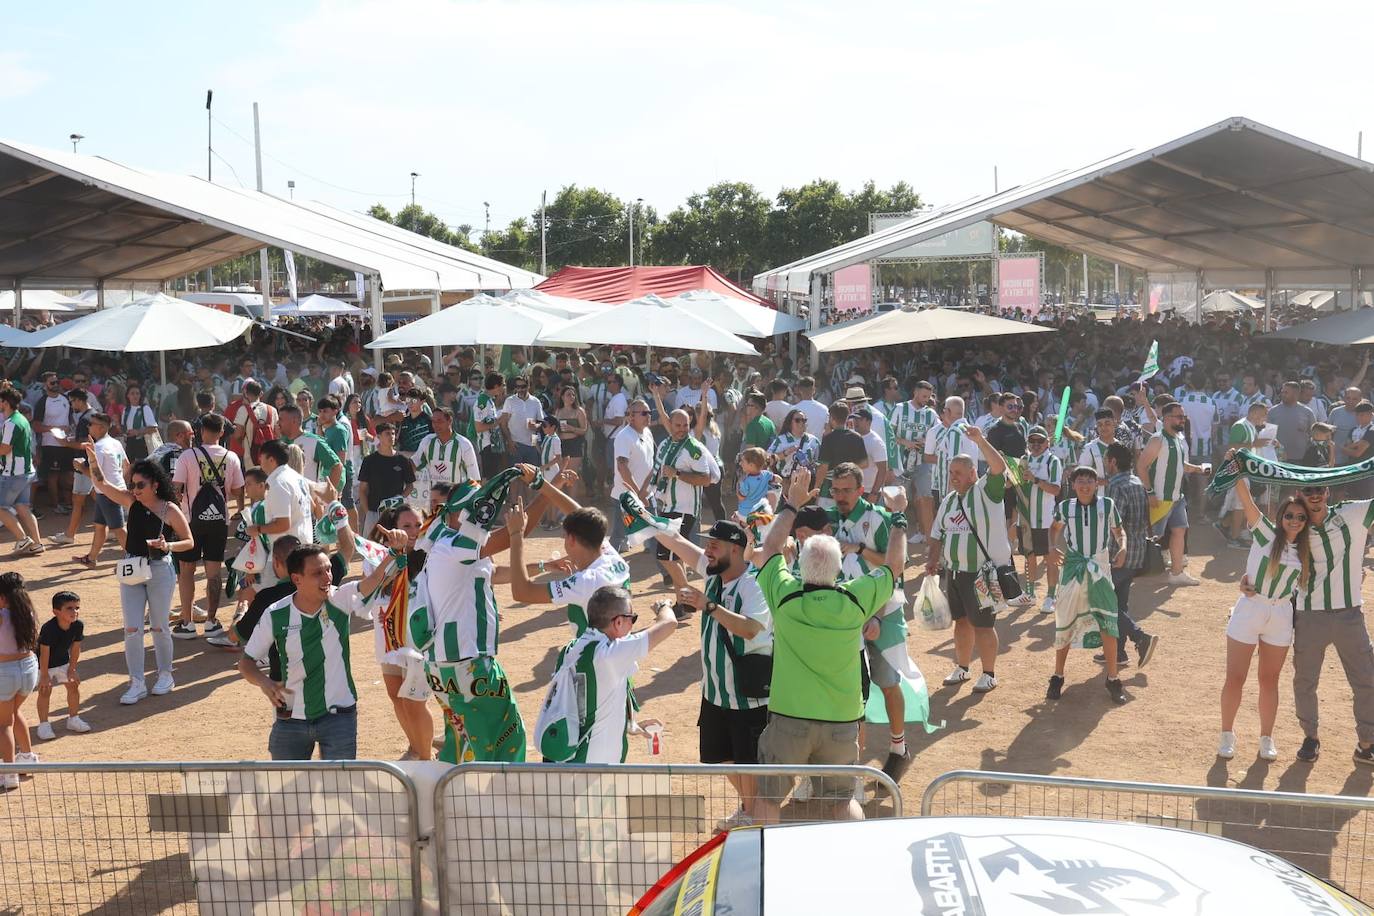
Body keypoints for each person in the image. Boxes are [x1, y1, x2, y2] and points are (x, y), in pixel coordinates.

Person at [752, 468, 906, 824]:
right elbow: (895, 567)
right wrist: (899, 515)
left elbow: (771, 547)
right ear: (839, 569)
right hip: (841, 720)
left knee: (768, 797)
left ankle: (764, 864)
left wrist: (791, 503)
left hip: (789, 718)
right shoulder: (856, 600)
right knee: (841, 800)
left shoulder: (785, 597)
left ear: (801, 565)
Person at [650, 518, 772, 828]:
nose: (708, 551)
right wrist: (645, 517)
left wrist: (709, 606)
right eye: (708, 545)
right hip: (716, 691)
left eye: (714, 546)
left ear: (735, 549)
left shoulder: (752, 584)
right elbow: (677, 543)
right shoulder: (715, 571)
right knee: (721, 757)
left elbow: (750, 628)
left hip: (746, 695)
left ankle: (754, 817)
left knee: (748, 763)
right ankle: (749, 807)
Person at [237, 545, 390, 760]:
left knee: (339, 787)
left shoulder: (340, 599)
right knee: (288, 789)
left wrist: (393, 553)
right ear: (297, 579)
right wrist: (265, 682)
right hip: (290, 717)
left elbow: (371, 581)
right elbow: (246, 662)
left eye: (328, 570)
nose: (327, 577)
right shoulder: (276, 614)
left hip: (339, 715)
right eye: (318, 573)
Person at [823, 462, 915, 780]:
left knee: (888, 683)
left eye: (846, 490)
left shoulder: (879, 519)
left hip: (883, 611)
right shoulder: (829, 518)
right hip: (846, 614)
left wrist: (861, 549)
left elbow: (895, 567)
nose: (840, 496)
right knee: (851, 690)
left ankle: (899, 747)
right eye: (835, 490)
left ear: (861, 490)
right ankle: (853, 765)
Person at [85, 449, 195, 705]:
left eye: (140, 485)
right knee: (132, 629)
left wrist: (168, 546)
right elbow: (101, 483)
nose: (135, 489)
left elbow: (189, 542)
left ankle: (165, 675)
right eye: (133, 485)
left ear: (155, 484)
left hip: (159, 570)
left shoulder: (170, 509)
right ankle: (136, 682)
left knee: (159, 627)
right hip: (132, 567)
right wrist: (92, 459)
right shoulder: (131, 503)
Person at [1280, 484, 1374, 765]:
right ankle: (1310, 737)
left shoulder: (1353, 513)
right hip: (1310, 616)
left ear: (1328, 490)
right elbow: (1267, 550)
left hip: (1349, 614)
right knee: (1305, 681)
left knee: (1366, 680)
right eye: (1308, 490)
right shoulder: (1296, 525)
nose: (1314, 495)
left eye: (1319, 488)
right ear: (1300, 493)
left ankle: (1366, 743)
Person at [534, 585, 681, 764]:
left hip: (564, 760)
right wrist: (663, 606)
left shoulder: (571, 649)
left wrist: (628, 724)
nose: (632, 625)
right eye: (632, 618)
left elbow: (584, 704)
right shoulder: (608, 655)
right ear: (618, 622)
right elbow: (669, 624)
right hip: (592, 768)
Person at [1219, 477, 1309, 762]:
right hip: (1251, 607)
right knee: (1235, 677)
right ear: (1280, 515)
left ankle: (1266, 737)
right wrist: (1238, 467)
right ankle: (1226, 734)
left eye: (1300, 517)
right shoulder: (1265, 533)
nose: (1294, 521)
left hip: (1282, 613)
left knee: (1269, 680)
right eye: (1289, 515)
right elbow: (1245, 498)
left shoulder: (1308, 549)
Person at [927, 423, 1010, 694]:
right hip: (955, 572)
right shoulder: (950, 500)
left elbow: (998, 467)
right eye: (951, 473)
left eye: (959, 473)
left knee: (984, 624)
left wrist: (981, 441)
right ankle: (962, 667)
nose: (953, 477)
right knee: (961, 621)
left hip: (980, 573)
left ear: (973, 473)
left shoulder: (986, 492)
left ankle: (989, 673)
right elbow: (937, 533)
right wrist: (932, 560)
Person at [1045, 467, 1129, 704]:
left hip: (1100, 568)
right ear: (1073, 485)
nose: (1085, 485)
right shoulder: (1065, 508)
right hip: (1073, 567)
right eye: (1080, 481)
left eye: (1089, 481)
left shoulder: (1107, 505)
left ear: (1096, 484)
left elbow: (1119, 530)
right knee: (1065, 620)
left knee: (1108, 621)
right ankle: (1057, 676)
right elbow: (1054, 529)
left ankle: (1112, 679)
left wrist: (1122, 546)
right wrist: (1051, 547)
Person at [364, 506, 435, 760]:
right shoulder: (378, 555)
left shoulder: (431, 552)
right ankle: (415, 745)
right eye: (407, 526)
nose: (414, 531)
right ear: (392, 527)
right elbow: (373, 587)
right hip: (387, 631)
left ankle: (427, 756)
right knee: (396, 696)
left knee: (413, 699)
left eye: (418, 524)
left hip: (415, 636)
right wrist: (395, 554)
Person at [170, 413, 243, 640]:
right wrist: (238, 511)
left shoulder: (187, 456)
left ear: (201, 431)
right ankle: (212, 621)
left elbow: (177, 488)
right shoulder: (231, 457)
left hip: (190, 521)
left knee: (186, 571)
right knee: (213, 573)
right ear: (222, 432)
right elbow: (239, 489)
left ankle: (188, 623)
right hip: (219, 521)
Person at [1100, 443, 1160, 670]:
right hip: (1137, 553)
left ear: (1113, 461)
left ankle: (1140, 638)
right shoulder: (1137, 482)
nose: (1106, 463)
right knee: (1119, 603)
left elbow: (1113, 524)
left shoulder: (1116, 485)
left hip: (1118, 554)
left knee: (1104, 603)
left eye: (1108, 459)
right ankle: (1119, 652)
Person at [1137, 400, 1209, 586]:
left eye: (1183, 416)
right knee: (1152, 536)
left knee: (1179, 531)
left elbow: (1180, 465)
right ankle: (1129, 570)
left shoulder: (1177, 440)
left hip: (1177, 498)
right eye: (1179, 416)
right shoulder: (1157, 440)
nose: (1182, 420)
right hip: (1159, 499)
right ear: (1167, 418)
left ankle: (1176, 573)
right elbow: (1141, 466)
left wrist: (1199, 469)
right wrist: (1150, 492)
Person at [0, 571, 40, 789]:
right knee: (14, 713)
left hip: (5, 673)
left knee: (3, 723)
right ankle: (27, 759)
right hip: (28, 670)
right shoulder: (28, 613)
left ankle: (8, 773)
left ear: (3, 597)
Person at [34, 590, 90, 740]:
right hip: (44, 664)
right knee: (45, 691)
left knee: (73, 686)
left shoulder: (78, 625)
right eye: (70, 608)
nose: (75, 612)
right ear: (56, 611)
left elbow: (76, 648)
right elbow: (44, 652)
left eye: (77, 608)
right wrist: (44, 675)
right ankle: (44, 725)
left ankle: (73, 719)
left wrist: (72, 669)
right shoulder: (49, 628)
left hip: (63, 661)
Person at [76, 412, 128, 569]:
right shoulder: (115, 443)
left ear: (100, 427)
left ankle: (136, 556)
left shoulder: (98, 447)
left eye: (91, 424)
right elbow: (127, 465)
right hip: (108, 491)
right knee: (100, 525)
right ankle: (91, 558)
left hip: (107, 493)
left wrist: (79, 467)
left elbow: (95, 475)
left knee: (118, 528)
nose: (88, 426)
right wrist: (119, 481)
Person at [1022, 426, 1063, 611]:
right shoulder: (1023, 460)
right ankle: (1030, 594)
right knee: (1028, 555)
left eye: (1040, 441)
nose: (1036, 445)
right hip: (1025, 518)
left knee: (1050, 557)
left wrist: (1036, 480)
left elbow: (1056, 489)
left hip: (1045, 518)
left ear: (1047, 443)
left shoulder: (1052, 461)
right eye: (1032, 441)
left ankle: (1051, 597)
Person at [0, 388, 43, 555]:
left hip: (14, 473)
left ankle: (22, 539)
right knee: (22, 507)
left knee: (1, 508)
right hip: (25, 471)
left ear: (5, 403)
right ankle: (37, 543)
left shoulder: (11, 423)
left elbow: (4, 449)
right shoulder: (21, 419)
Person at [251, 438, 315, 548]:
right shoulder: (297, 477)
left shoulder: (279, 483)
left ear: (271, 460)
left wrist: (257, 529)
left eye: (261, 458)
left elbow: (283, 524)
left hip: (289, 551)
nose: (260, 462)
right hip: (301, 543)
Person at [610, 398, 655, 552]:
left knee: (655, 530)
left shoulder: (648, 432)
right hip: (626, 497)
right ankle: (607, 565)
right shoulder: (624, 436)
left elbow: (651, 463)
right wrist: (638, 495)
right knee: (618, 535)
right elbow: (622, 468)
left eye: (649, 412)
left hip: (646, 494)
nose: (648, 415)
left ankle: (663, 565)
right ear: (631, 416)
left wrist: (646, 492)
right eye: (643, 413)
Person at [358, 423, 415, 535]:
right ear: (378, 437)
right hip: (374, 512)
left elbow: (410, 485)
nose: (391, 437)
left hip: (396, 513)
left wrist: (399, 498)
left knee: (395, 546)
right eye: (387, 434)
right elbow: (362, 490)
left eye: (393, 434)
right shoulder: (369, 461)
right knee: (372, 548)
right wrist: (368, 513)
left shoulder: (403, 460)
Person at [32, 372, 74, 515]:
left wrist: (69, 431)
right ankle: (56, 504)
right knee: (53, 476)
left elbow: (70, 419)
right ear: (45, 385)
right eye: (52, 383)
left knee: (68, 474)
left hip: (66, 443)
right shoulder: (42, 402)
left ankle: (68, 503)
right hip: (50, 444)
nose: (56, 385)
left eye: (57, 382)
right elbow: (36, 426)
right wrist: (54, 429)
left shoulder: (66, 399)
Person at [814, 400, 868, 509]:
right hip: (851, 489)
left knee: (827, 522)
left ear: (832, 418)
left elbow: (823, 468)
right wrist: (848, 469)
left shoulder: (828, 439)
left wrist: (816, 488)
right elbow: (865, 463)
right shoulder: (857, 437)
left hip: (830, 490)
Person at [279, 405, 344, 489]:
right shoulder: (281, 442)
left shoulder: (313, 442)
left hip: (309, 499)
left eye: (281, 419)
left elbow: (337, 466)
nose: (278, 422)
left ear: (294, 421)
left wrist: (329, 494)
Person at [500, 375, 544, 467]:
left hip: (532, 443)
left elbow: (541, 422)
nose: (520, 389)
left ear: (528, 386)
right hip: (516, 444)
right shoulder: (510, 401)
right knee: (516, 477)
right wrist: (510, 441)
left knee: (532, 477)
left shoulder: (535, 402)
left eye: (523, 387)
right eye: (517, 387)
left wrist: (535, 426)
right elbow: (503, 424)